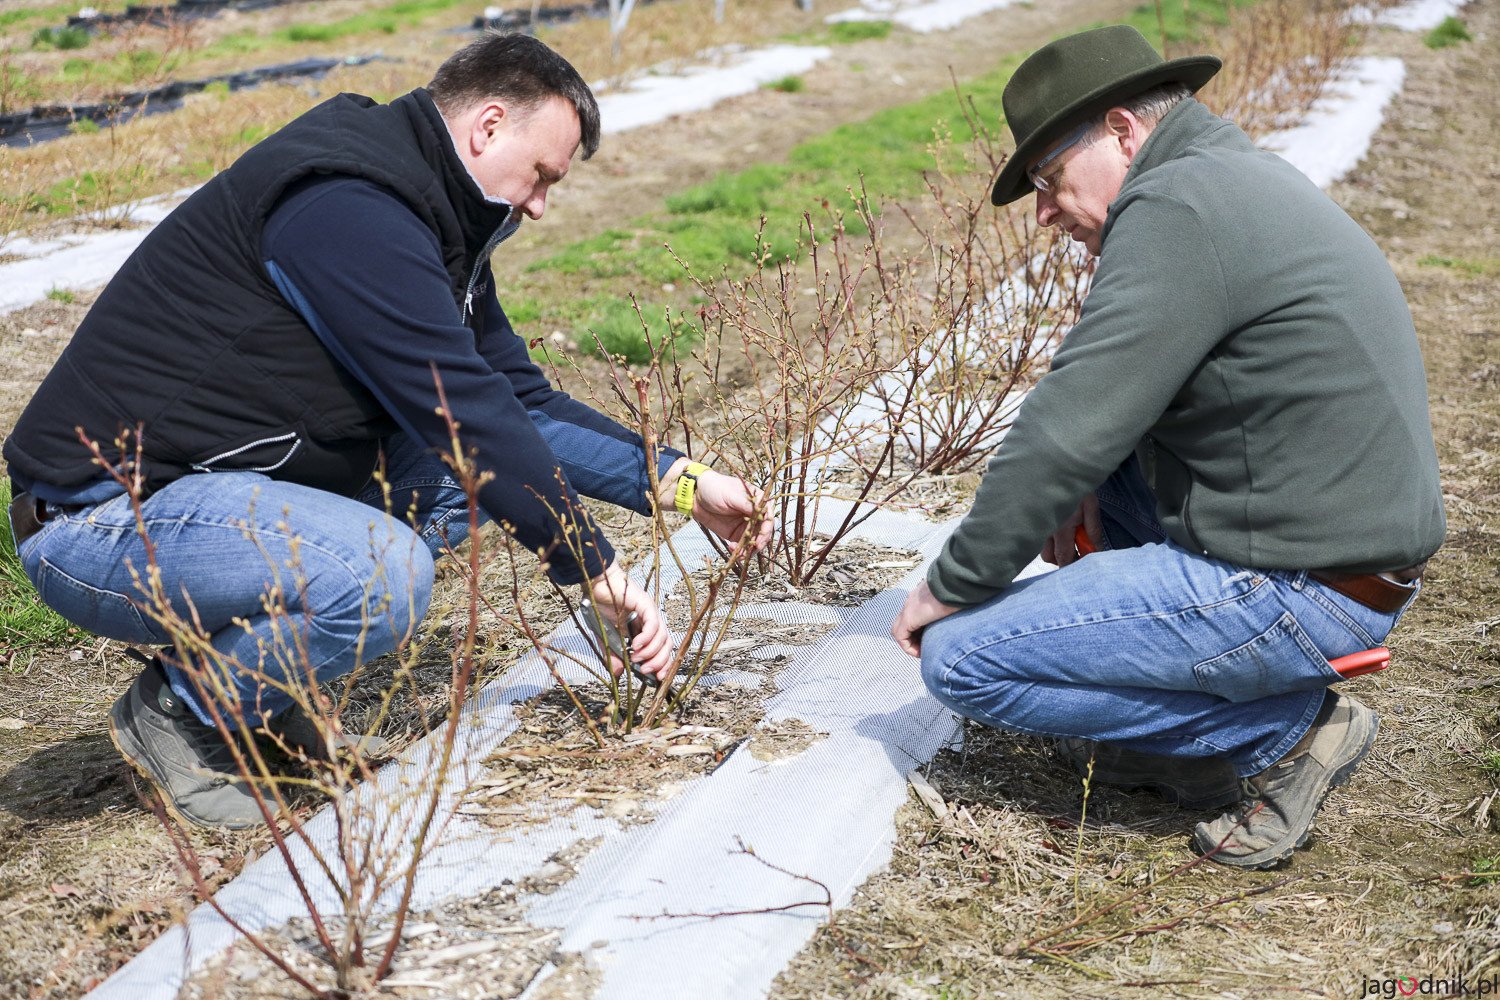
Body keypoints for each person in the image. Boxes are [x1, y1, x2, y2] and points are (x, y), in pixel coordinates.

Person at [3, 33, 768, 830]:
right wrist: (592, 567)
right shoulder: (347, 208)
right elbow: (461, 407)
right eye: (543, 175)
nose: (540, 204)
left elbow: (517, 404)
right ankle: (186, 710)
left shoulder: (429, 214)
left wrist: (684, 481)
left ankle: (262, 695)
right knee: (384, 574)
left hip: (205, 495)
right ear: (490, 125)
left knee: (457, 485)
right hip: (100, 520)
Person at [892, 25, 1444, 868]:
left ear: (1121, 131)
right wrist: (1094, 475)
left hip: (1304, 582)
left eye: (1048, 179)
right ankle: (1162, 740)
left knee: (961, 659)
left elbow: (1068, 420)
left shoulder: (1176, 207)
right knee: (1098, 488)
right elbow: (1121, 395)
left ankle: (1286, 734)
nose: (1043, 212)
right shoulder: (1220, 175)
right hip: (1333, 545)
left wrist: (952, 585)